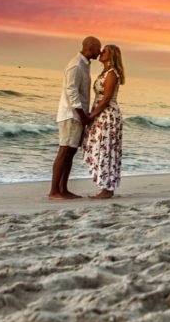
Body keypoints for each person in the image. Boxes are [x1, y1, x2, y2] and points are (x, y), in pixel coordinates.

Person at [49, 36, 101, 200]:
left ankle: (63, 189)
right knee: (64, 151)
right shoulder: (76, 65)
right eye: (98, 48)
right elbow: (72, 92)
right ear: (90, 48)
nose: (99, 52)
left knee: (70, 153)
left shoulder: (84, 65)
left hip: (76, 115)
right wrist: (82, 115)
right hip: (70, 115)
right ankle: (54, 191)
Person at [82, 44, 125, 199]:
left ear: (111, 55)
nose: (101, 52)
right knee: (101, 148)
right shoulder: (105, 73)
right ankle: (106, 187)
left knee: (106, 150)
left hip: (107, 115)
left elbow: (106, 98)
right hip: (102, 114)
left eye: (105, 51)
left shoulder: (112, 74)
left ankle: (107, 189)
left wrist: (91, 115)